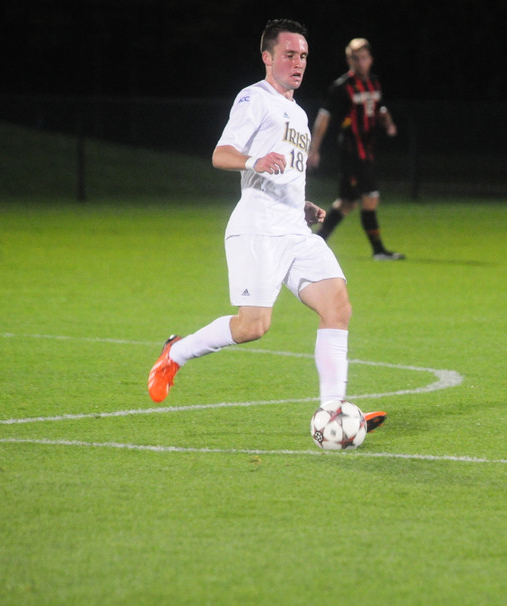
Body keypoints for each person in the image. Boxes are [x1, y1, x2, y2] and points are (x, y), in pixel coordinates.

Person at [148, 19, 385, 433]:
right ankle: (175, 354)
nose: (298, 63)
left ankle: (333, 410)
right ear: (267, 57)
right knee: (253, 326)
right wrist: (253, 161)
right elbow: (221, 154)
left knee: (337, 306)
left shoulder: (297, 112)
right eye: (290, 55)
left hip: (294, 228)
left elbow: (286, 171)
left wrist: (304, 205)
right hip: (257, 228)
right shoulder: (253, 99)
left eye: (304, 56)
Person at [308, 38, 404, 261]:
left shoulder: (374, 83)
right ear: (348, 60)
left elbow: (379, 109)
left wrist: (387, 122)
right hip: (352, 152)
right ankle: (378, 251)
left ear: (370, 59)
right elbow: (324, 117)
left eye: (363, 58)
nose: (359, 63)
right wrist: (315, 149)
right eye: (354, 58)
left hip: (367, 151)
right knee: (370, 197)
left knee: (347, 203)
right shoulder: (342, 87)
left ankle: (315, 242)